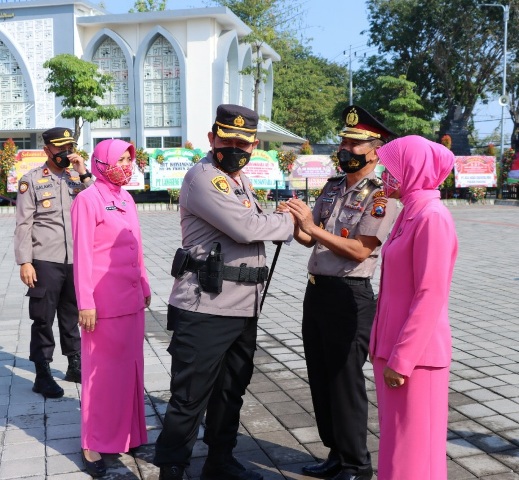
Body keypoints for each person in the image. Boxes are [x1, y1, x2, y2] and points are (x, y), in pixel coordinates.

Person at [153, 104, 294, 480]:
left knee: (231, 391)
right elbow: (247, 227)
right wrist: (290, 219)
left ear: (254, 146)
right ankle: (172, 467)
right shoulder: (204, 178)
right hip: (205, 307)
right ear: (212, 138)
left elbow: (254, 223)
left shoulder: (238, 179)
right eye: (227, 140)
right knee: (189, 397)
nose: (236, 148)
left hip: (241, 307)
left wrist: (274, 220)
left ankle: (220, 460)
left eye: (244, 143)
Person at [284, 105, 398, 480]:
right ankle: (334, 453)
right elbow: (307, 237)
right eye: (344, 142)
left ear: (375, 150)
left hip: (351, 297)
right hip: (317, 291)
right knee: (319, 375)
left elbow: (360, 250)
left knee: (344, 380)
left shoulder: (382, 196)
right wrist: (295, 219)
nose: (346, 149)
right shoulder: (333, 187)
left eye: (355, 144)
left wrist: (311, 230)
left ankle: (356, 464)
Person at [369, 135, 458, 480]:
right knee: (398, 447)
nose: (383, 174)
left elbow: (430, 294)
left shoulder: (431, 218)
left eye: (390, 168)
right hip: (394, 353)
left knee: (414, 453)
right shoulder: (411, 212)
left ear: (412, 169)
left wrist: (402, 358)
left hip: (415, 359)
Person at [71, 139, 151, 478]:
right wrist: (85, 302)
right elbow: (83, 257)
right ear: (101, 162)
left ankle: (129, 435)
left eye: (128, 159)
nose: (125, 165)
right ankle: (92, 445)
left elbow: (136, 247)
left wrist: (144, 283)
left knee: (131, 371)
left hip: (131, 301)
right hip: (102, 306)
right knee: (100, 377)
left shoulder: (127, 198)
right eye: (119, 159)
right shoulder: (87, 200)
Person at [14, 127, 93, 398]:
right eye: (60, 148)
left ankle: (75, 363)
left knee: (72, 315)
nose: (65, 152)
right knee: (43, 318)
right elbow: (23, 224)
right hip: (45, 260)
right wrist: (25, 262)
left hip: (76, 260)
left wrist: (83, 171)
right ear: (47, 150)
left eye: (69, 147)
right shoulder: (32, 180)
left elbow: (97, 202)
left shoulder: (76, 177)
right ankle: (43, 372)